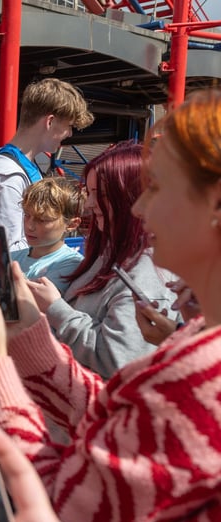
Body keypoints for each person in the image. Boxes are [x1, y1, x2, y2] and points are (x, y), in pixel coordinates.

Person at [0, 88, 221, 522]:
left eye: (158, 187)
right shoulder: (194, 342)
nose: (138, 206)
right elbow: (116, 419)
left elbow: (65, 500)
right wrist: (32, 333)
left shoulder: (198, 380)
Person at [24, 141, 178, 378]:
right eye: (90, 193)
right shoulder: (111, 254)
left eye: (101, 195)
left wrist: (57, 309)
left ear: (131, 197)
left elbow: (118, 360)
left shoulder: (147, 272)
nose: (88, 204)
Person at [0, 78, 93, 251]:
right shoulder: (7, 177)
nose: (70, 133)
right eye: (69, 126)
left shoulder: (18, 167)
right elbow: (6, 252)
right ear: (50, 122)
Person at [11, 176, 84, 295]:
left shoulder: (72, 263)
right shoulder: (11, 257)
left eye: (42, 220)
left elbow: (38, 300)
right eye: (27, 215)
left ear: (71, 224)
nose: (30, 226)